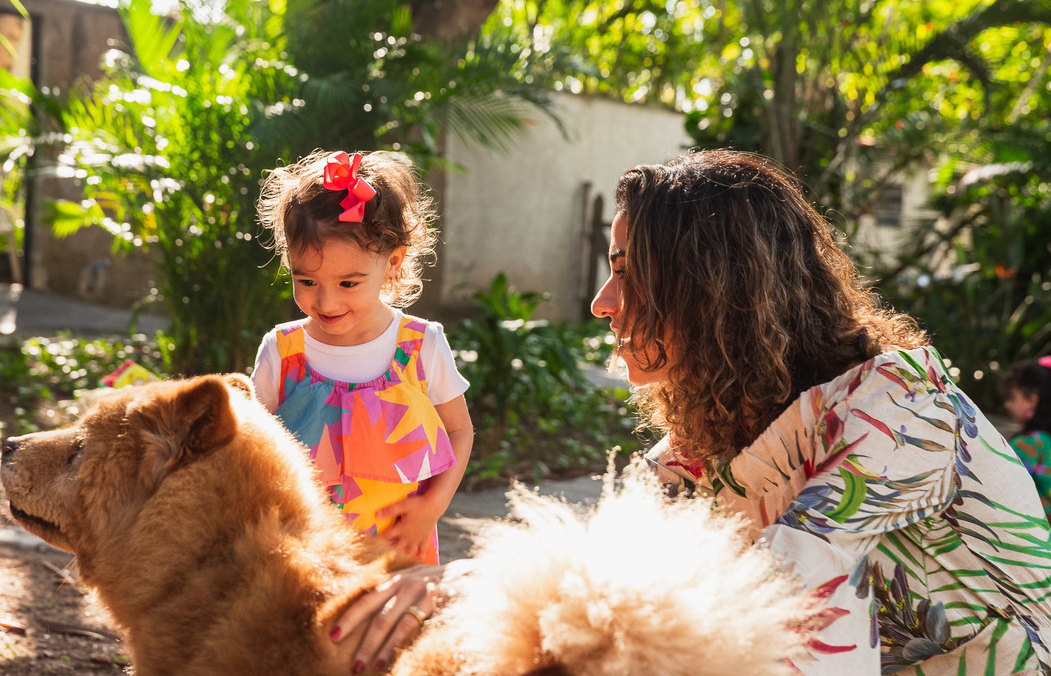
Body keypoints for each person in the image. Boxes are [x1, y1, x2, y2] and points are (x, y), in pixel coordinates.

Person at [333, 149, 1051, 676]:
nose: (602, 303)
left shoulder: (898, 415)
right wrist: (469, 586)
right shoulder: (703, 448)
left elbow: (787, 610)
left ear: (717, 289)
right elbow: (604, 581)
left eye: (627, 271)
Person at [253, 150, 474, 568]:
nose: (326, 301)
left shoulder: (421, 346)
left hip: (398, 552)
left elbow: (459, 431)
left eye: (348, 283)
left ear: (393, 263)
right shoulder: (282, 352)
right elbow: (253, 447)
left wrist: (432, 508)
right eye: (307, 280)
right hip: (304, 555)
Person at [1000, 356, 1051, 515]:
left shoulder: (1028, 444)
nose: (1007, 405)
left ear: (1031, 401)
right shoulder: (1046, 441)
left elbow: (1000, 488)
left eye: (1012, 398)